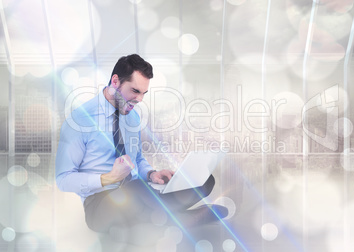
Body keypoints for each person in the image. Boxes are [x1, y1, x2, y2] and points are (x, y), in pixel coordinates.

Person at [55, 54, 227, 244]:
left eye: (144, 93)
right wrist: (108, 178)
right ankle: (180, 218)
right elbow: (63, 180)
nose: (139, 99)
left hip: (143, 194)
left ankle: (161, 216)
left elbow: (136, 159)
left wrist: (152, 174)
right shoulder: (79, 120)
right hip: (100, 204)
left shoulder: (132, 117)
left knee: (204, 181)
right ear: (115, 81)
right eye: (135, 90)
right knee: (134, 190)